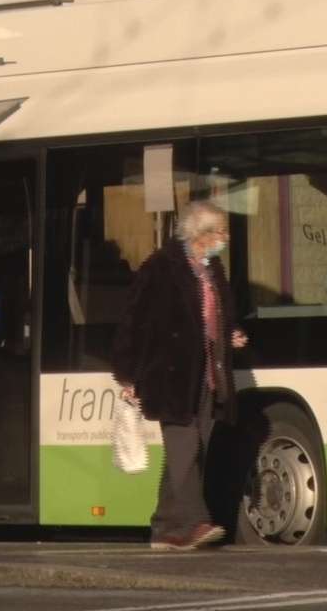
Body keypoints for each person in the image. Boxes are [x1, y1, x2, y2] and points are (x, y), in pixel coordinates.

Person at [112, 200, 248, 551]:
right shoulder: (161, 267)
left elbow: (219, 316)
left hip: (207, 375)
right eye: (220, 231)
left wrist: (230, 332)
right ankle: (193, 522)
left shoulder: (212, 269)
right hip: (170, 377)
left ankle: (164, 528)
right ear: (200, 234)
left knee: (190, 449)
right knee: (185, 447)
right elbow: (133, 322)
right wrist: (127, 376)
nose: (225, 238)